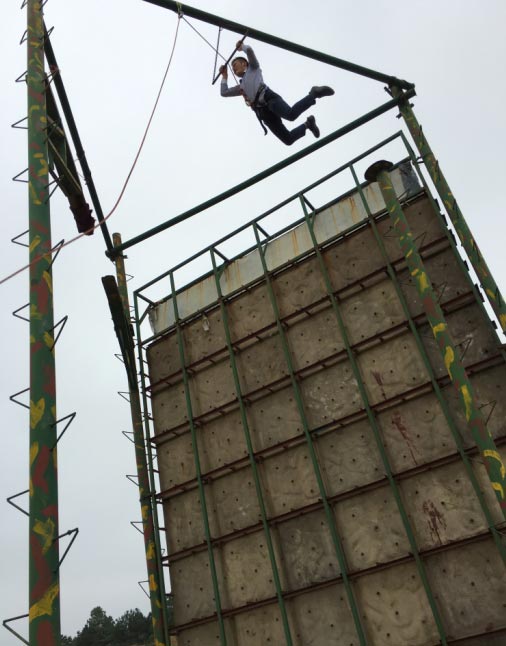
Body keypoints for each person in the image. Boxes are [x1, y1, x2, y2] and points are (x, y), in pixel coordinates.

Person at [220, 41, 334, 146]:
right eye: (232, 68)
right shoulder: (241, 87)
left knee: (290, 115)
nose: (233, 69)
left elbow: (249, 51)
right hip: (264, 113)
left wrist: (242, 47)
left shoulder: (253, 68)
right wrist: (225, 76)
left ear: (244, 64)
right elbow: (224, 92)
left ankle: (314, 94)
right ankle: (308, 124)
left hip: (269, 99)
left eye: (235, 65)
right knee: (288, 139)